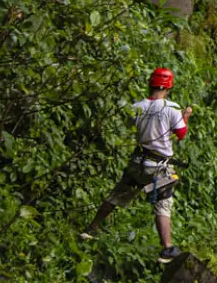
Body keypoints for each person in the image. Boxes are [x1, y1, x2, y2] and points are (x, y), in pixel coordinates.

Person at [80, 67, 193, 264]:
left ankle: (92, 229)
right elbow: (181, 135)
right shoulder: (172, 108)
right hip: (159, 167)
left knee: (118, 194)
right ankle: (166, 249)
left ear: (150, 83)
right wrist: (185, 117)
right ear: (169, 86)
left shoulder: (136, 107)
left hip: (138, 163)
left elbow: (132, 127)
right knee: (163, 203)